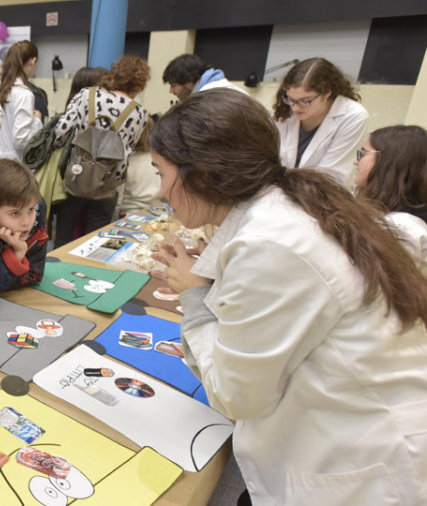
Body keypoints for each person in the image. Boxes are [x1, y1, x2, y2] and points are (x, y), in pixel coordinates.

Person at [149, 89, 427, 506]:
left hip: (363, 465)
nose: (159, 193)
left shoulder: (269, 242)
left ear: (202, 175)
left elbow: (236, 396)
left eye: (160, 173)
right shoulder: (287, 208)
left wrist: (195, 295)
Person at [52, 55, 151, 247]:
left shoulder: (87, 95)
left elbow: (61, 131)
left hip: (75, 177)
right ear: (139, 83)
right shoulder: (139, 112)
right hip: (108, 183)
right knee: (94, 242)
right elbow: (128, 149)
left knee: (64, 237)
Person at [274, 57, 368, 188]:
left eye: (305, 101)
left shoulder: (352, 116)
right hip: (283, 193)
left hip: (323, 198)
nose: (295, 108)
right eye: (291, 99)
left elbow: (330, 177)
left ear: (327, 93)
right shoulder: (285, 112)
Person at [353, 125, 427, 270]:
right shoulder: (386, 214)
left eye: (363, 154)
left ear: (388, 161)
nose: (356, 161)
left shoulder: (403, 227)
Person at [0, 159, 48, 295]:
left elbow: (34, 276)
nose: (26, 222)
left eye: (31, 210)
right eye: (15, 213)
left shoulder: (37, 209)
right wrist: (16, 253)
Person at [0, 41, 43, 161]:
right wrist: (36, 121)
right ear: (33, 61)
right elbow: (21, 140)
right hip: (13, 164)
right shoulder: (24, 94)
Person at [162, 54, 247, 103]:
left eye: (173, 86)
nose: (171, 91)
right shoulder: (220, 88)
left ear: (189, 81)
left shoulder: (209, 98)